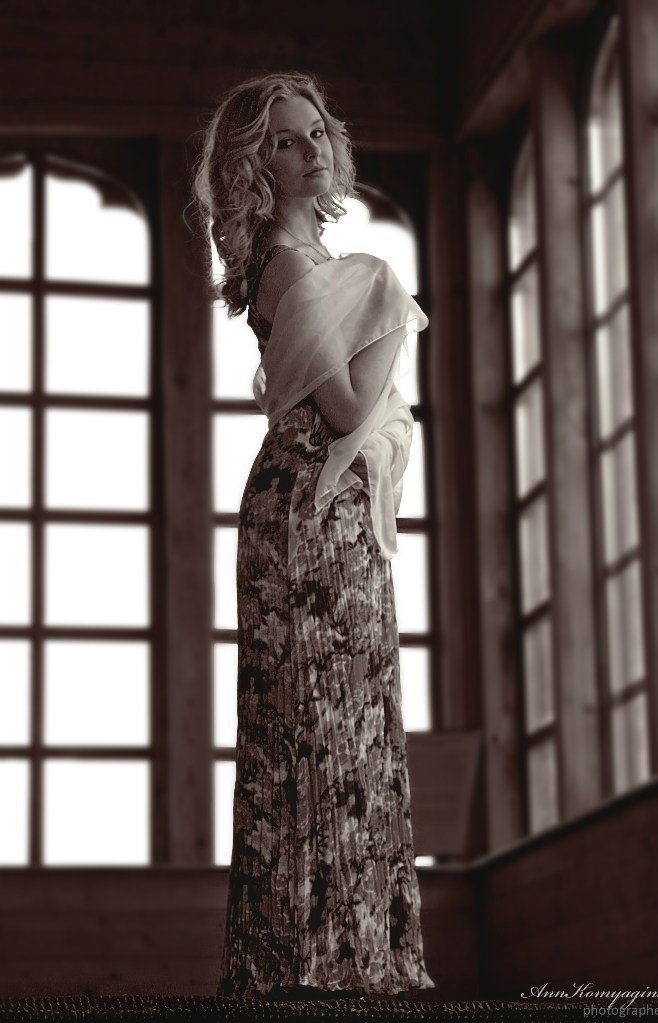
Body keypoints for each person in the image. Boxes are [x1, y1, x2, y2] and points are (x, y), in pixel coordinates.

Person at [192, 70, 435, 1002]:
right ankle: (308, 960)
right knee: (308, 718)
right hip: (304, 509)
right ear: (254, 163)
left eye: (316, 132)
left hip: (333, 510)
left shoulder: (318, 257)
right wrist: (392, 311)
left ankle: (355, 954)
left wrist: (377, 300)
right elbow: (343, 410)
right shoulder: (290, 266)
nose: (309, 151)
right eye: (284, 141)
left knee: (354, 714)